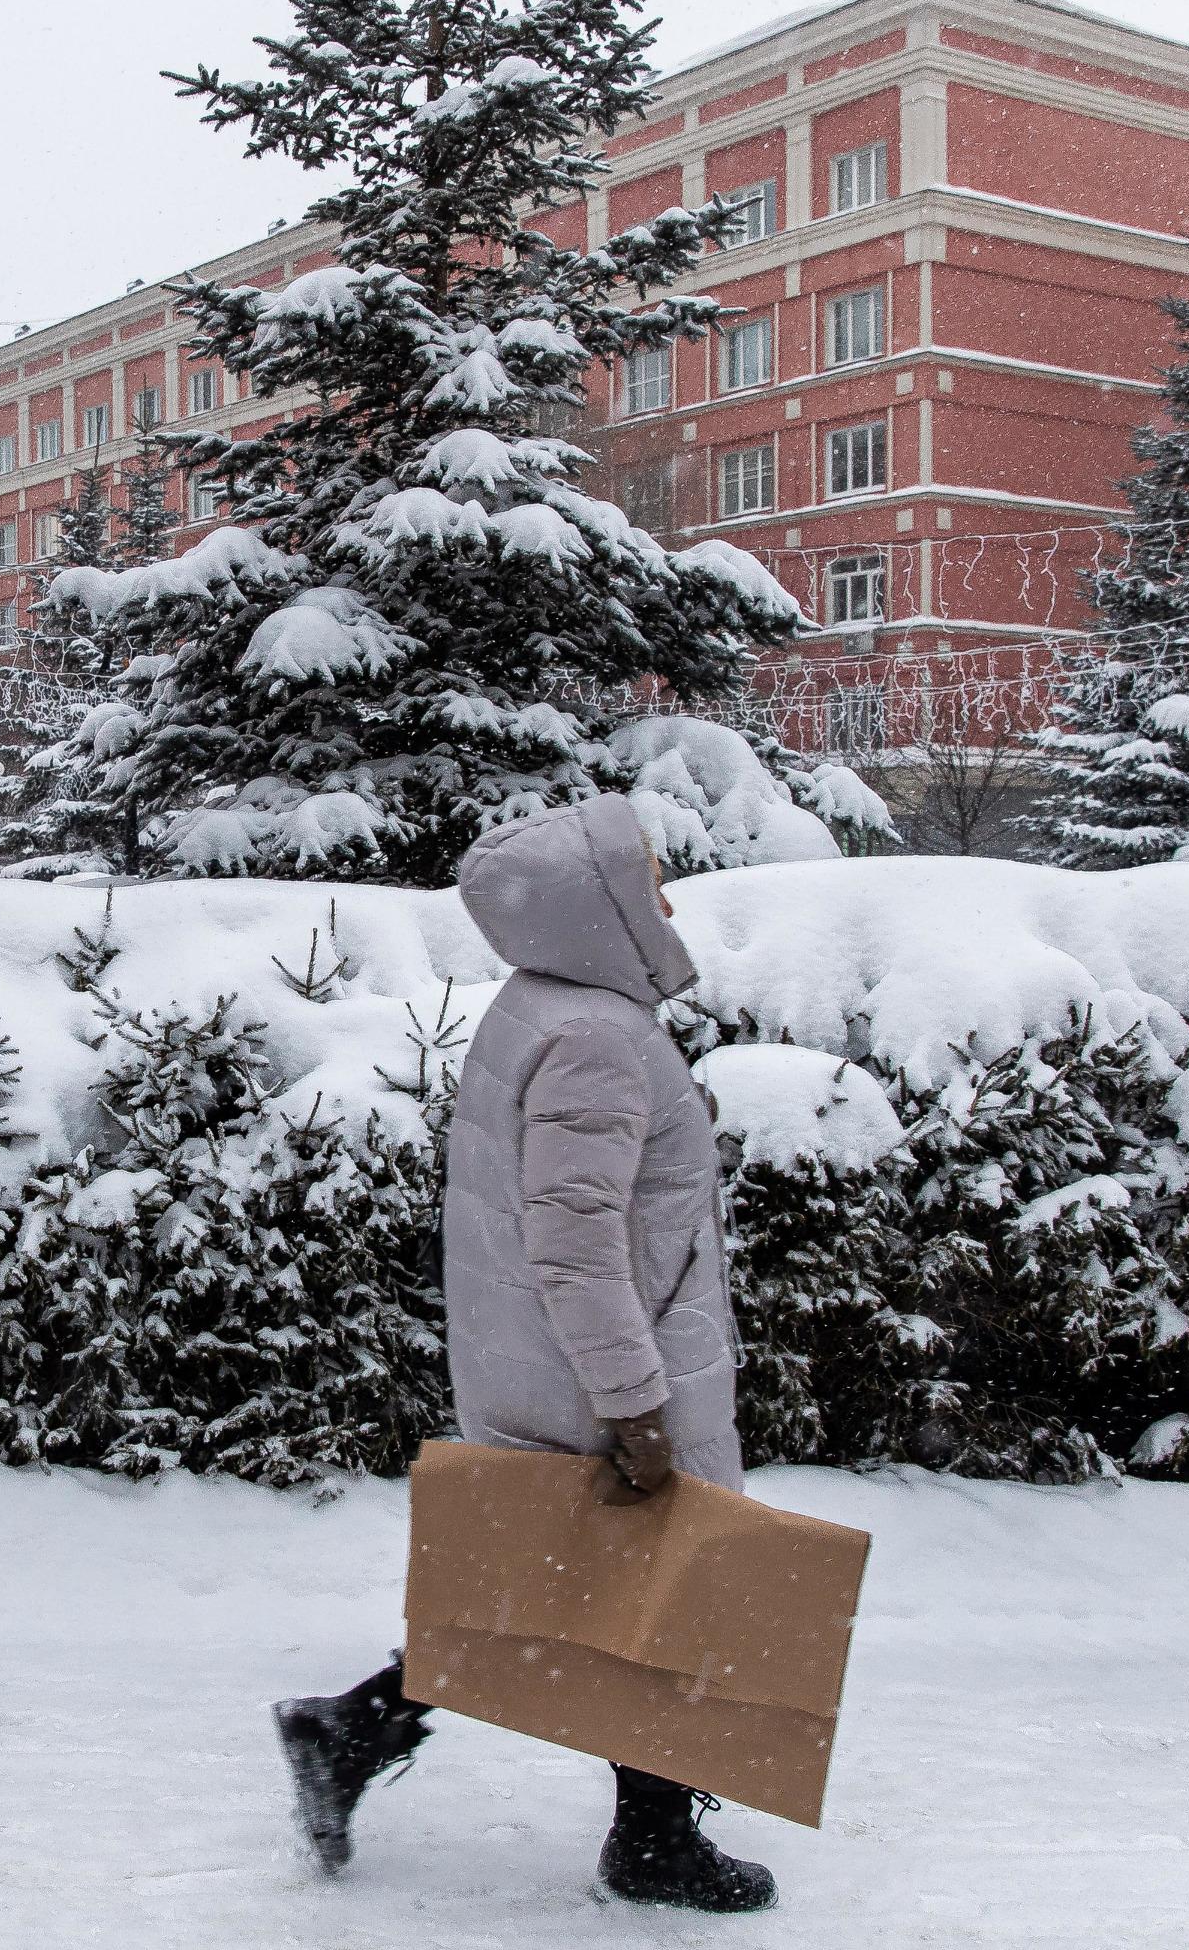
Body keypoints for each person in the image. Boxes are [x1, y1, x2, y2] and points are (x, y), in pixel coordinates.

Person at [270, 795, 776, 1914]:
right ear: (593, 905)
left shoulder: (549, 1007)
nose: (667, 898)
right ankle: (643, 1841)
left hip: (555, 1361)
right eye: (648, 880)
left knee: (564, 1593)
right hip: (597, 1372)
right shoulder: (595, 1036)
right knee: (654, 1594)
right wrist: (635, 1400)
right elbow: (573, 1240)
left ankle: (352, 1734)